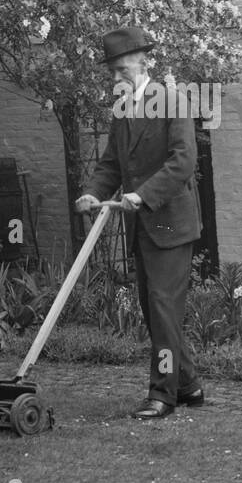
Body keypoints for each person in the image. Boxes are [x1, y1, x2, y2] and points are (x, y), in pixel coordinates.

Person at [75, 27, 203, 420]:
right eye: (111, 73)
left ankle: (162, 395)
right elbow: (112, 163)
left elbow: (183, 161)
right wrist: (94, 192)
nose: (116, 79)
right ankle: (189, 384)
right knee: (154, 311)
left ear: (142, 60)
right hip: (142, 227)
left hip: (171, 225)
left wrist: (142, 195)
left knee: (163, 310)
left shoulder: (171, 100)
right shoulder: (122, 109)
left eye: (121, 70)